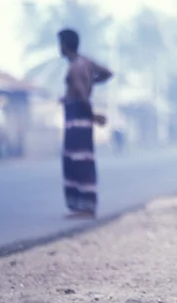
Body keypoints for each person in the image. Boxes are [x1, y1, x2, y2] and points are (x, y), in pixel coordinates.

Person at [58, 28, 113, 219]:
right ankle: (84, 205)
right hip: (79, 118)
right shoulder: (86, 63)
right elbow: (107, 73)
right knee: (83, 159)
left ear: (64, 45)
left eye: (60, 44)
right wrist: (92, 81)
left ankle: (85, 207)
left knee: (77, 161)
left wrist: (93, 115)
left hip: (78, 119)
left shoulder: (75, 68)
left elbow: (81, 93)